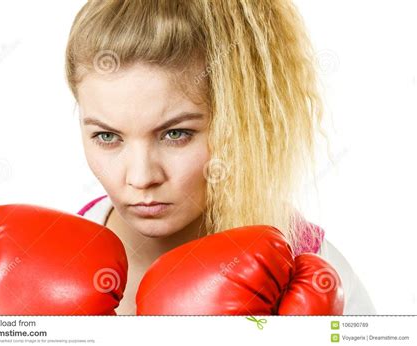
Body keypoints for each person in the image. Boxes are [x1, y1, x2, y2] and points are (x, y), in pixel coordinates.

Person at [66, 0, 376, 315]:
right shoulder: (51, 260)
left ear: (241, 123)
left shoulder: (317, 274)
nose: (141, 177)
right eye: (107, 136)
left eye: (176, 134)